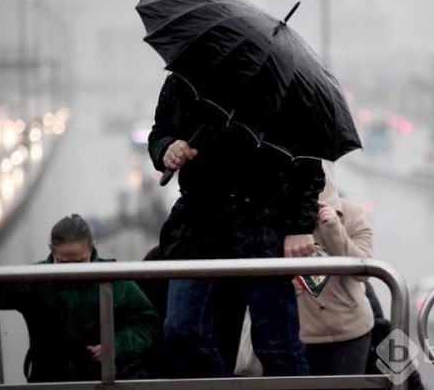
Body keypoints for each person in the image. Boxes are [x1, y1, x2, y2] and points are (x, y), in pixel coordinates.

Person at [147, 72, 324, 378]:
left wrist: (298, 227)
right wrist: (166, 148)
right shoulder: (183, 80)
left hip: (262, 228)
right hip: (197, 227)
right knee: (180, 331)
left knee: (277, 345)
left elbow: (308, 164)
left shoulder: (281, 86)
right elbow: (159, 133)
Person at [0, 214, 160, 382]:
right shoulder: (34, 280)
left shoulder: (114, 279)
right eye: (64, 263)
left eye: (80, 262)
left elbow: (148, 321)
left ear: (92, 248)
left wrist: (115, 346)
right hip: (47, 382)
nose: (72, 271)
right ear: (52, 251)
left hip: (99, 381)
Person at [296, 163, 375, 378]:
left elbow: (365, 270)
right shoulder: (277, 219)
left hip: (349, 331)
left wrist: (333, 229)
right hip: (298, 336)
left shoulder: (352, 213)